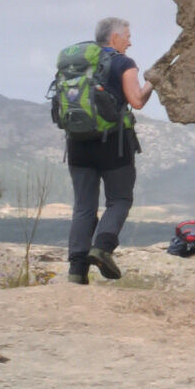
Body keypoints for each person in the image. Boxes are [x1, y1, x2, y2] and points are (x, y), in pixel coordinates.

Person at [63, 17, 149, 285]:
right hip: (113, 145)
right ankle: (102, 247)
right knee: (120, 200)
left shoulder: (78, 66)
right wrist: (153, 83)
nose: (130, 41)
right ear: (114, 38)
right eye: (127, 36)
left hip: (77, 144)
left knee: (83, 208)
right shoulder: (123, 63)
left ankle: (76, 272)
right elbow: (136, 100)